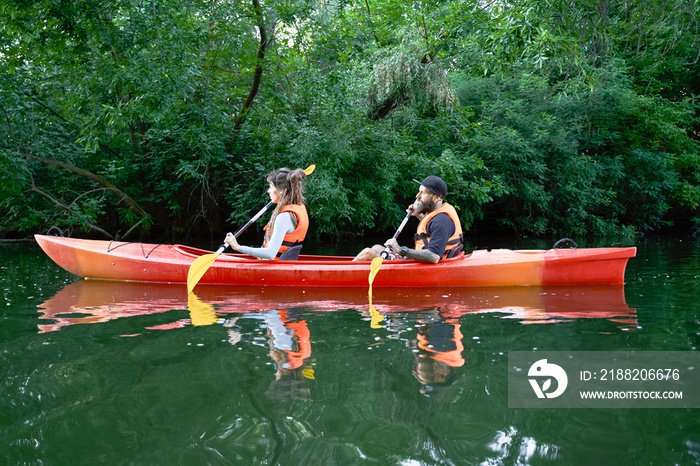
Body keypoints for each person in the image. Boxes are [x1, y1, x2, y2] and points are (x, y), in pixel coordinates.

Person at [353, 175, 463, 264]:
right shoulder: (437, 216)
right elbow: (431, 229)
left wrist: (400, 250)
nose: (417, 196)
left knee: (367, 253)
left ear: (436, 198)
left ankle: (343, 273)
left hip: (427, 265)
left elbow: (434, 257)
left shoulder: (442, 221)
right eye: (419, 191)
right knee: (376, 247)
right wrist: (419, 216)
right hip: (422, 261)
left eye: (423, 192)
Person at [224, 167, 309, 260]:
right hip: (272, 265)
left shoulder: (284, 217)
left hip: (272, 267)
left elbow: (270, 254)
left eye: (271, 187)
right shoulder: (294, 212)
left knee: (219, 259)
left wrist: (238, 247)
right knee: (221, 257)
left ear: (281, 190)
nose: (268, 191)